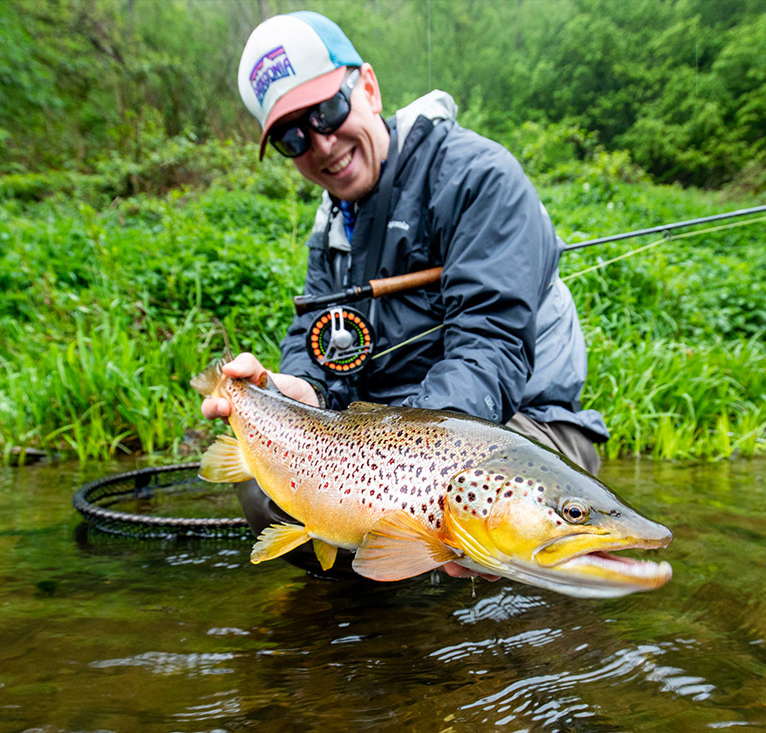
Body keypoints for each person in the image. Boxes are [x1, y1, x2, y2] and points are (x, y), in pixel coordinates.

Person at [203, 11, 609, 576]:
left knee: (489, 525)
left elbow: (489, 347)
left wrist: (425, 483)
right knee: (262, 489)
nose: (320, 143)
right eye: (294, 136)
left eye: (326, 111)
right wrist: (304, 393)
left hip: (520, 428)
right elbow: (320, 338)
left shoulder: (477, 177)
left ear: (366, 85)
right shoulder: (332, 228)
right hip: (393, 442)